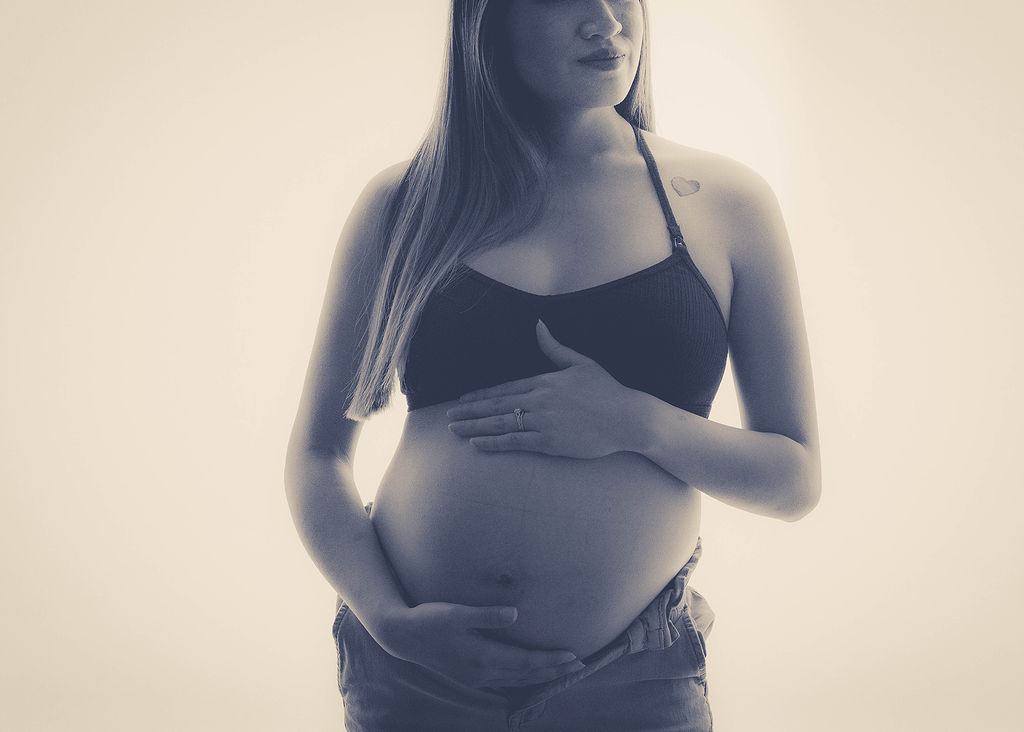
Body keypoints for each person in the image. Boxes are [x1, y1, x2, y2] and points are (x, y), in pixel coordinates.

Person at [285, 0, 820, 729]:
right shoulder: (405, 203)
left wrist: (635, 422)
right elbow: (318, 454)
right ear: (489, 22)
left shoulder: (726, 203)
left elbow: (792, 479)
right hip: (419, 677)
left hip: (632, 680)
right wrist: (387, 620)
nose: (605, 21)